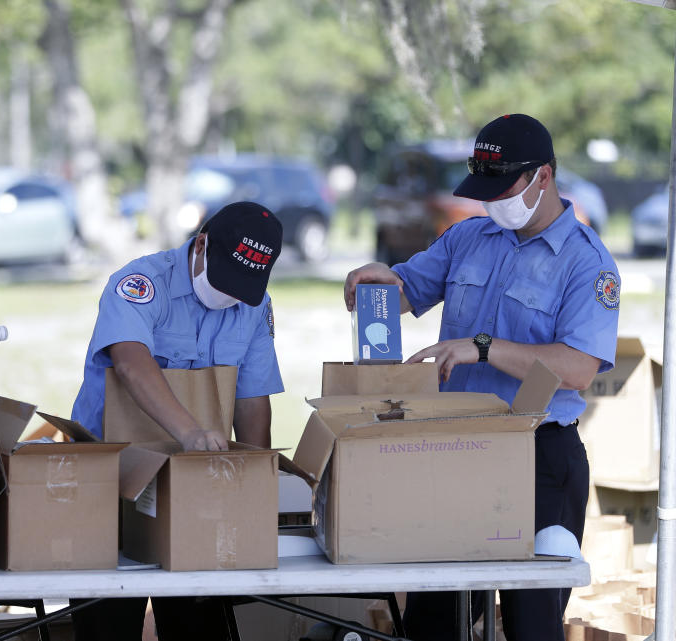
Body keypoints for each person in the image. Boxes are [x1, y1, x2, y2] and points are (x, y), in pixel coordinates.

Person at [343, 113, 619, 641]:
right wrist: (380, 285)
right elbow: (407, 291)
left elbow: (579, 368)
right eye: (483, 189)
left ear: (544, 176)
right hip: (453, 452)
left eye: (504, 187)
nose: (492, 201)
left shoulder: (588, 263)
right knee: (434, 622)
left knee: (530, 624)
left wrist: (486, 348)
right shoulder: (468, 237)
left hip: (538, 456)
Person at [70, 200, 284, 640]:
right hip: (107, 478)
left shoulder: (255, 308)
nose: (229, 295)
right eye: (225, 278)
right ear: (201, 244)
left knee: (199, 624)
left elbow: (252, 402)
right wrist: (190, 432)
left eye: (242, 287)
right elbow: (130, 362)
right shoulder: (142, 283)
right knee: (109, 622)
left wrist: (255, 489)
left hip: (196, 486)